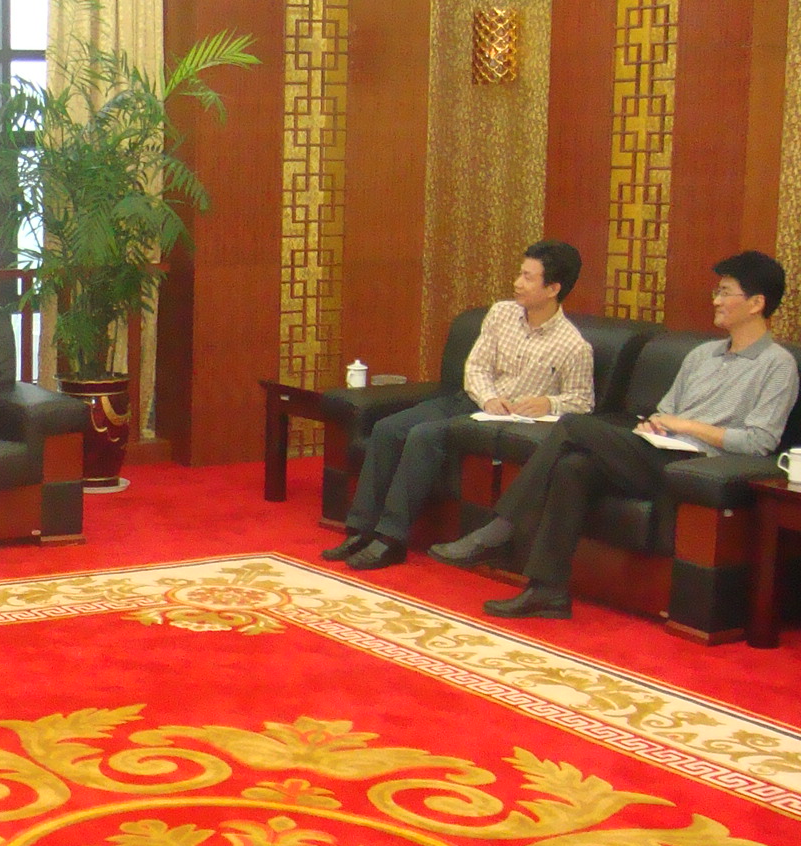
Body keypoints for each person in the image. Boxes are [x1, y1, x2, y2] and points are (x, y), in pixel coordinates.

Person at [431, 250, 800, 618]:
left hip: (692, 465)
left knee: (572, 426)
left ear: (756, 303)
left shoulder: (778, 366)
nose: (716, 300)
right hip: (657, 448)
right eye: (717, 291)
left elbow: (759, 442)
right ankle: (548, 591)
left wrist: (686, 426)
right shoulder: (703, 355)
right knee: (573, 468)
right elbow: (666, 411)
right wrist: (656, 423)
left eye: (725, 292)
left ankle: (501, 529)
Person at [323, 240, 594, 570]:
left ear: (553, 288)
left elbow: (582, 403)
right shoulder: (502, 313)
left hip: (500, 422)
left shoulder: (573, 346)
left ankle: (391, 539)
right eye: (520, 274)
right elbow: (476, 367)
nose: (517, 283)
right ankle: (360, 530)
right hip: (472, 400)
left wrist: (549, 402)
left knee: (423, 435)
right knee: (387, 428)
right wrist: (489, 397)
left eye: (528, 277)